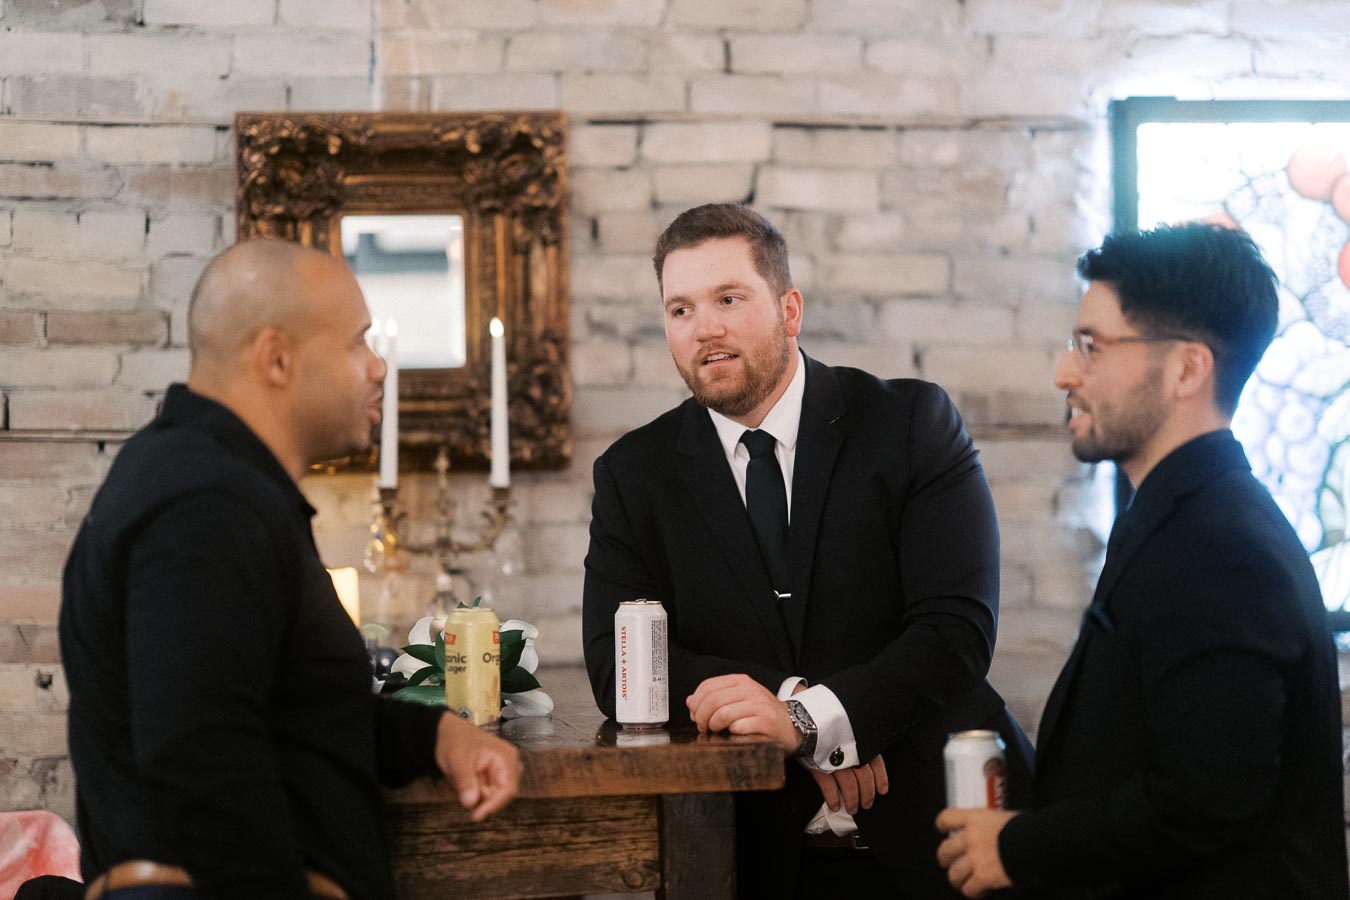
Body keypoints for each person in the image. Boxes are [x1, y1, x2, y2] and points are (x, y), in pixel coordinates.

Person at [582, 202, 1032, 897]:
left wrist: (808, 723)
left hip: (944, 841)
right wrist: (792, 707)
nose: (705, 328)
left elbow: (956, 632)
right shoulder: (631, 475)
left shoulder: (912, 424)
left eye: (728, 298)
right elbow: (620, 670)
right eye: (680, 310)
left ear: (790, 309)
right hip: (747, 857)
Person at [60, 240, 522, 899]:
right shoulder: (205, 503)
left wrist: (435, 736)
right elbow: (202, 759)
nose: (379, 366)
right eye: (358, 343)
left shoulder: (219, 483)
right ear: (277, 358)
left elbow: (295, 713)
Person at [936, 223, 1349, 899]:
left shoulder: (1222, 546)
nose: (1065, 371)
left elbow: (1206, 801)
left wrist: (1019, 846)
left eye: (1092, 346)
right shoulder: (1181, 516)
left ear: (1187, 368)